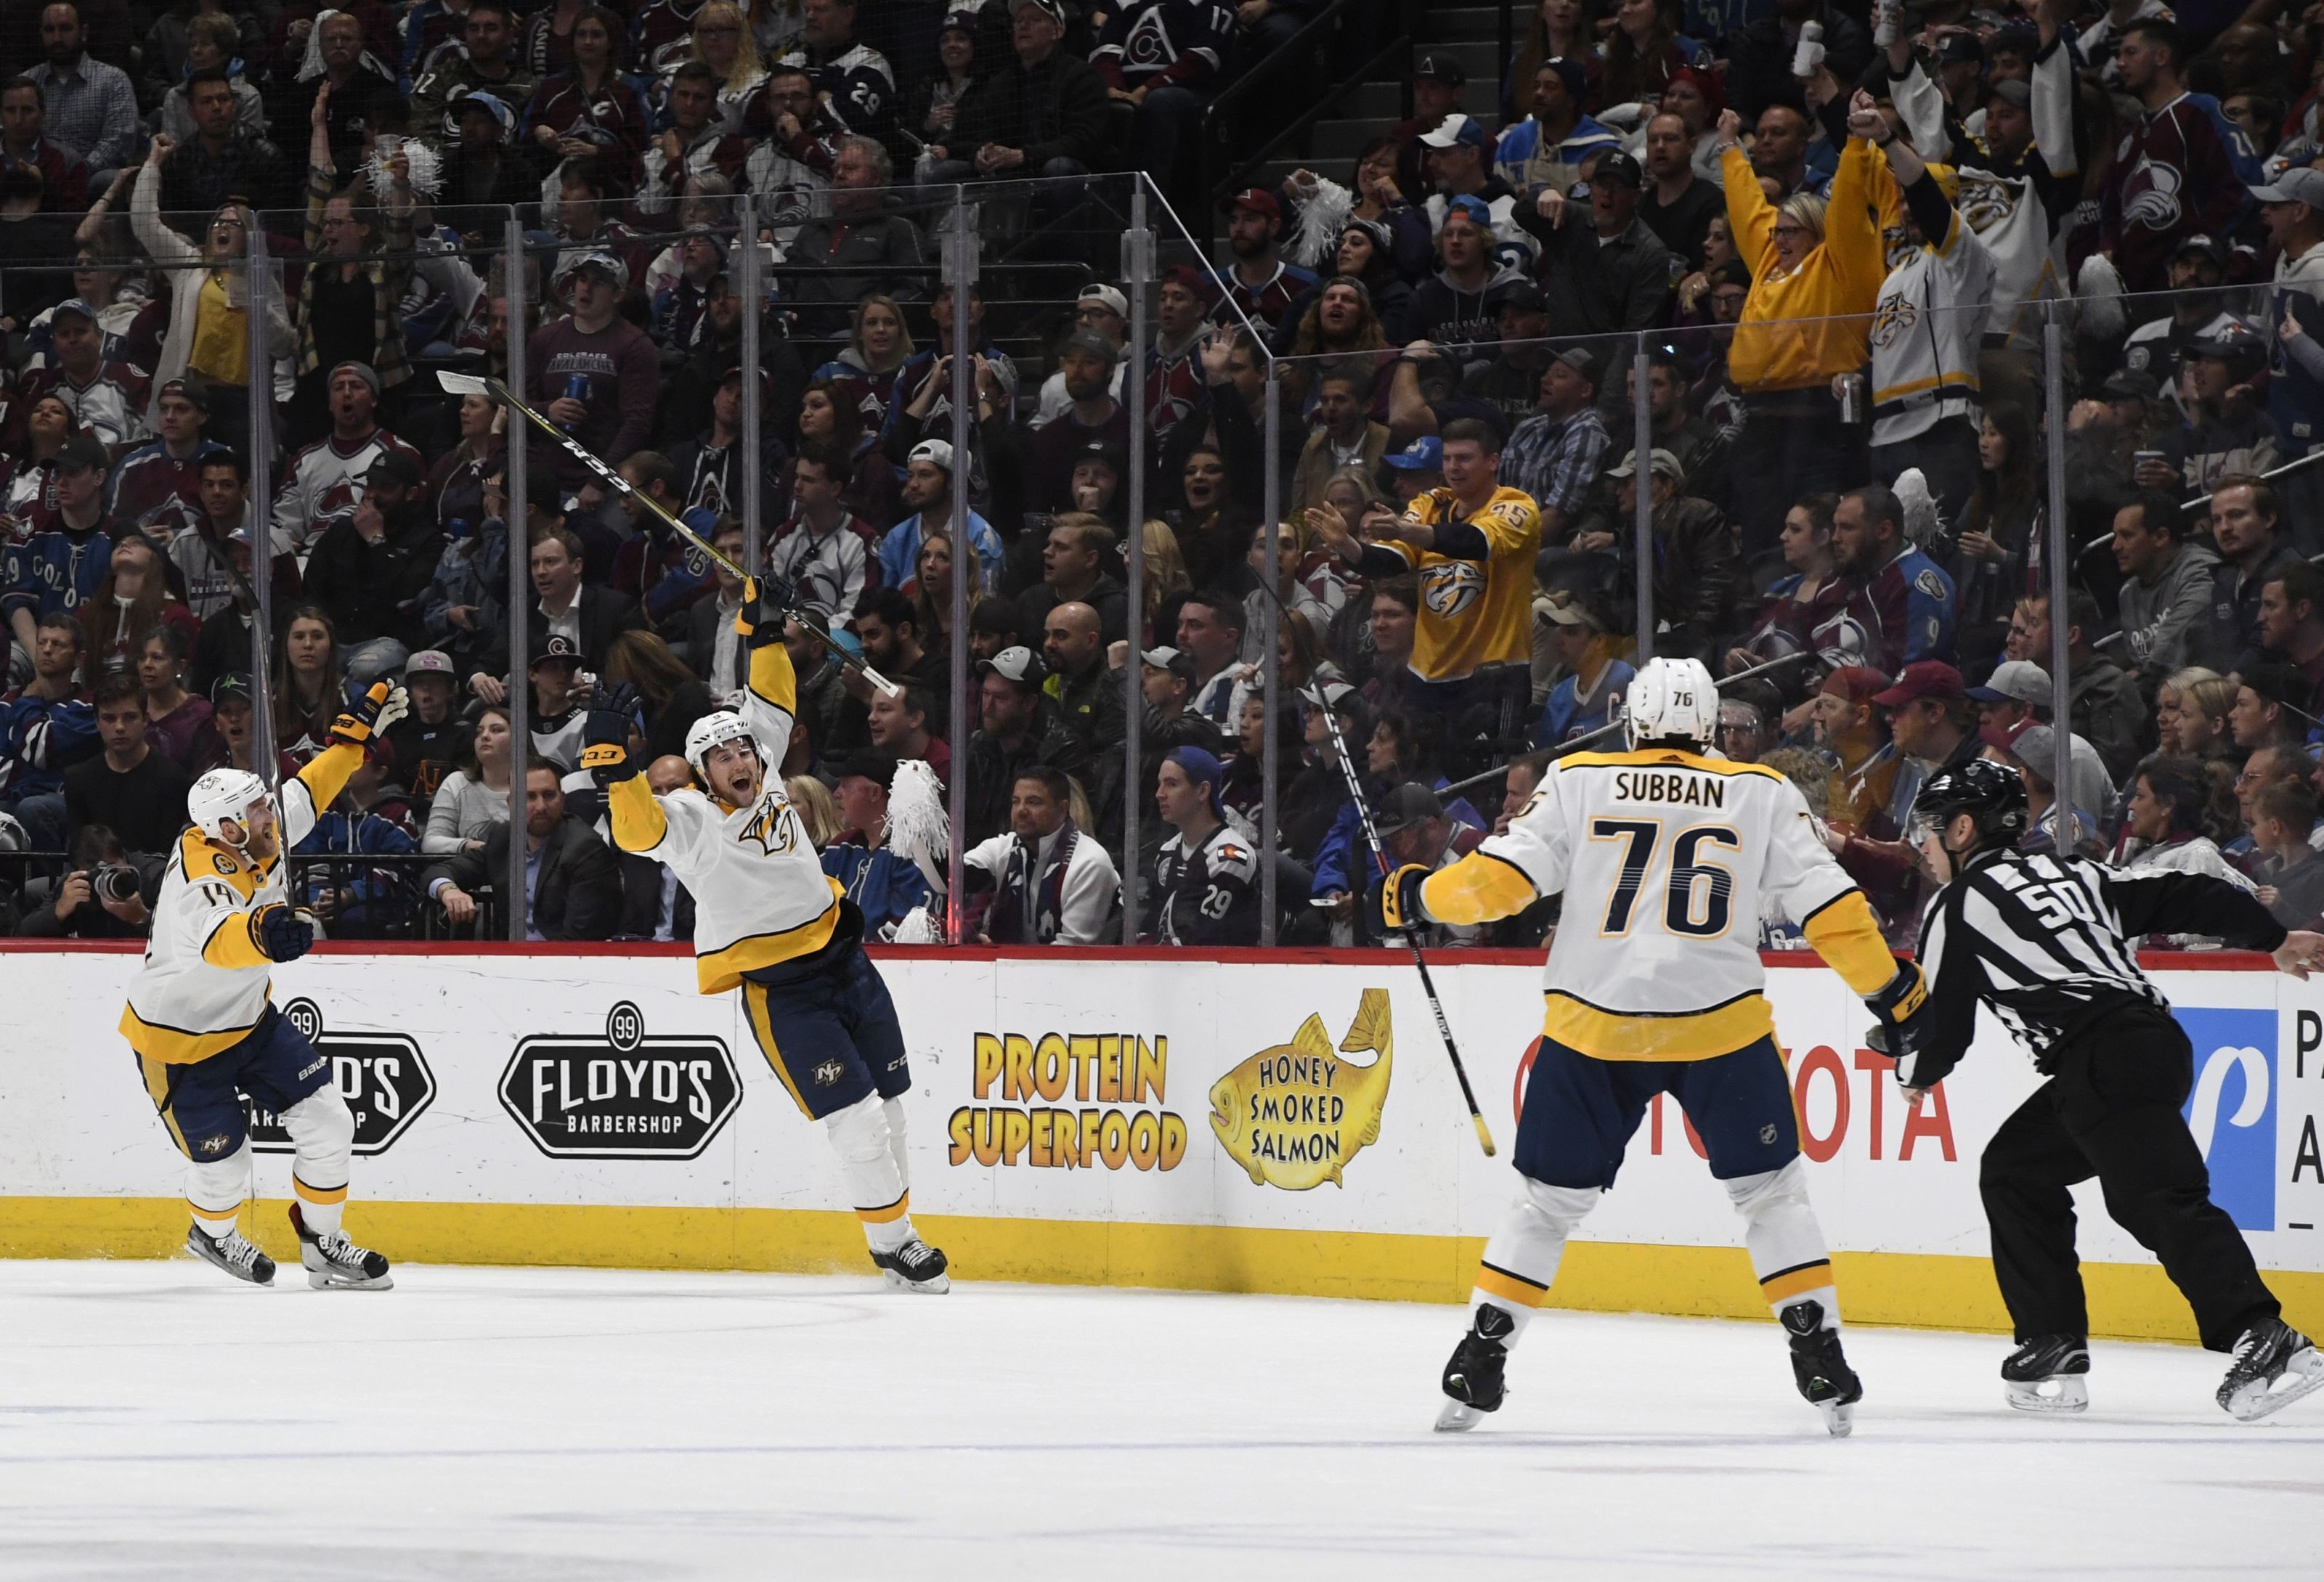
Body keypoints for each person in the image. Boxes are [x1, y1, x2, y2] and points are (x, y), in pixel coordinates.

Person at [1372, 656, 1927, 1435]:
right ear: (1707, 729)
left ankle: (1479, 1359)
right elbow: (1829, 909)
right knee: (1771, 1195)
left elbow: (1498, 884)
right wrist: (1891, 993)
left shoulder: (1577, 779)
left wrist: (1417, 892)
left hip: (1591, 1028)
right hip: (1719, 1026)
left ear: (1630, 723)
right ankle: (1818, 1352)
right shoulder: (1758, 792)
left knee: (1543, 1205)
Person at [1901, 759, 2324, 1421]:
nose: (1923, 847)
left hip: (2100, 1057)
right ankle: (2053, 1339)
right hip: (2145, 1045)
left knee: (2156, 1197)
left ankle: (2259, 1331)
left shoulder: (1956, 906)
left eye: (1930, 830)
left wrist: (1914, 1072)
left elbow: (1940, 1025)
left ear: (1962, 829)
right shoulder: (2076, 873)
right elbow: (2187, 891)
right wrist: (2268, 939)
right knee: (2015, 1170)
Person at [587, 578, 950, 1291]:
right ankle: (895, 1241)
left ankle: (895, 1235)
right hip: (786, 994)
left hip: (847, 962)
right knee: (853, 1121)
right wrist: (618, 771)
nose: (738, 758)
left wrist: (760, 631)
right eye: (720, 754)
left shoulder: (770, 772)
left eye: (741, 749)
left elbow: (771, 701)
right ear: (700, 772)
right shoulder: (690, 820)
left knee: (893, 1106)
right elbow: (637, 832)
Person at [121, 681, 406, 1289]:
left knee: (330, 1120)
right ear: (225, 827)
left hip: (250, 1020)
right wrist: (265, 932)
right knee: (227, 1165)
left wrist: (351, 741)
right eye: (256, 809)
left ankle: (324, 1243)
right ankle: (213, 1233)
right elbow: (220, 935)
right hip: (180, 1042)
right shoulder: (202, 872)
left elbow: (311, 788)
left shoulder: (257, 829)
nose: (269, 813)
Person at [423, 755, 624, 939]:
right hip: (514, 959)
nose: (541, 807)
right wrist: (449, 890)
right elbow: (437, 871)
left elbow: (580, 938)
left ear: (563, 799)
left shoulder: (586, 849)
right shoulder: (504, 838)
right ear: (511, 803)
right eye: (529, 797)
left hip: (565, 965)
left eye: (549, 795)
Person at [964, 764, 1119, 945]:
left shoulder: (1090, 863)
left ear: (1062, 809)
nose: (1021, 810)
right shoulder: (1004, 847)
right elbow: (951, 876)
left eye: (1033, 802)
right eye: (1016, 801)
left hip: (1079, 971)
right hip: (1016, 968)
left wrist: (1001, 960)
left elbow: (1070, 954)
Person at [1143, 744, 1259, 946]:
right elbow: (1154, 925)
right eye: (1160, 784)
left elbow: (1201, 939)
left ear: (1203, 791)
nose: (1159, 794)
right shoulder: (1167, 851)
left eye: (1171, 784)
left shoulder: (1230, 858)